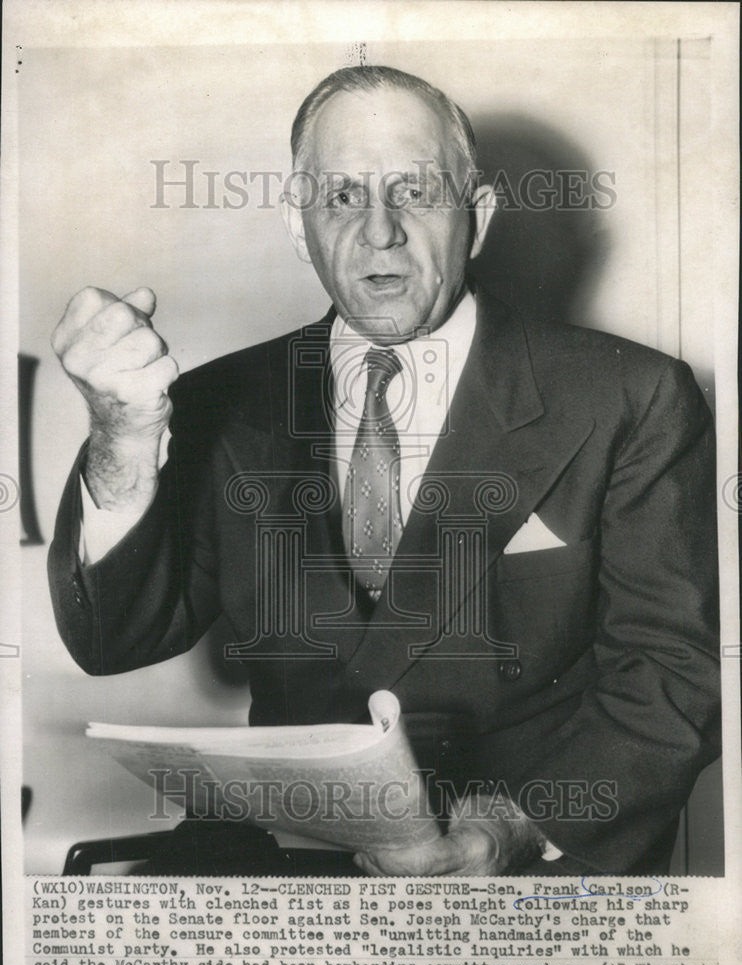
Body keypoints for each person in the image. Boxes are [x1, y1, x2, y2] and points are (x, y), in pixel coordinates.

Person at [48, 65, 720, 877]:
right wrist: (121, 434)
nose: (380, 232)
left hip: (522, 878)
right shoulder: (219, 402)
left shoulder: (627, 396)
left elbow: (670, 674)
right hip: (295, 875)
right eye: (340, 197)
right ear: (300, 228)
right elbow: (113, 637)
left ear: (477, 218)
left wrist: (511, 830)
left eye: (416, 192)